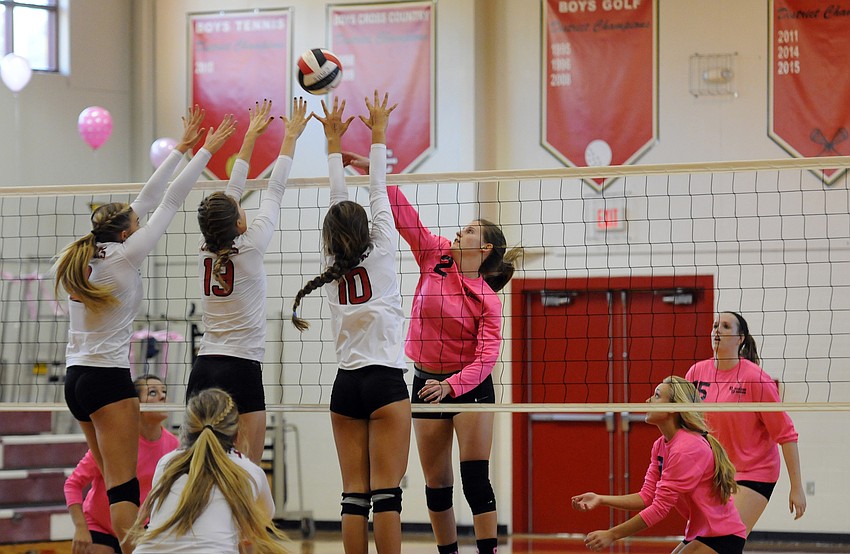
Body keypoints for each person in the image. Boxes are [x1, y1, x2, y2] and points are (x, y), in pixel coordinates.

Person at [54, 108, 235, 553]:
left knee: (107, 480)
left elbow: (149, 196)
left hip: (75, 380)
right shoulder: (125, 257)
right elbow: (169, 200)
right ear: (126, 232)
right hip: (106, 381)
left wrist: (182, 147)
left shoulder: (91, 252)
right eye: (135, 221)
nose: (140, 221)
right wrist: (207, 149)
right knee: (121, 488)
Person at [290, 92, 410, 554]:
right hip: (384, 383)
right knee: (388, 496)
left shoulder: (333, 259)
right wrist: (376, 131)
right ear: (368, 231)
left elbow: (339, 201)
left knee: (353, 497)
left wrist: (332, 142)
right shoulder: (382, 249)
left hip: (345, 387)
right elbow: (377, 187)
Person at [381, 166, 520, 554]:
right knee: (437, 484)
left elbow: (486, 359)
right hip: (426, 381)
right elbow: (405, 218)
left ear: (486, 248)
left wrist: (452, 386)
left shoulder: (488, 299)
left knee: (474, 477)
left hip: (469, 387)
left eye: (472, 229)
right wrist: (374, 170)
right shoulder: (435, 253)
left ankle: (488, 552)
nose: (462, 231)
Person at [187, 98, 310, 464]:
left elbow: (233, 192)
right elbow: (274, 189)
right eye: (241, 209)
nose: (243, 206)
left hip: (204, 367)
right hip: (241, 368)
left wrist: (251, 138)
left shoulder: (203, 248)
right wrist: (290, 138)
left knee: (199, 469)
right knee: (248, 473)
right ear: (239, 223)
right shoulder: (252, 245)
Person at [571, 376, 747, 554]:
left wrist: (612, 534)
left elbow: (660, 509)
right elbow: (646, 497)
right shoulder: (661, 445)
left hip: (722, 536)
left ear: (673, 407)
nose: (648, 400)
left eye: (656, 396)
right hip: (702, 533)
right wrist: (601, 499)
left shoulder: (687, 448)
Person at [685, 311, 806, 534]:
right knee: (697, 541)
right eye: (715, 325)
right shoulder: (696, 372)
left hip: (753, 471)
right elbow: (687, 425)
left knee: (724, 539)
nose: (717, 330)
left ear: (740, 339)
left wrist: (796, 487)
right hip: (715, 472)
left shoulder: (755, 378)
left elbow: (787, 435)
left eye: (725, 326)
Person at [129, 388, 289, 553]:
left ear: (186, 431)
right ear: (237, 435)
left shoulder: (167, 463)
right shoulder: (249, 471)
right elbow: (261, 521)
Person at [65, 374, 179, 554]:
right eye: (153, 392)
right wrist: (81, 527)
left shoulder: (173, 445)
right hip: (99, 526)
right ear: (136, 404)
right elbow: (72, 484)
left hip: (139, 528)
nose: (163, 396)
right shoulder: (115, 442)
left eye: (164, 391)